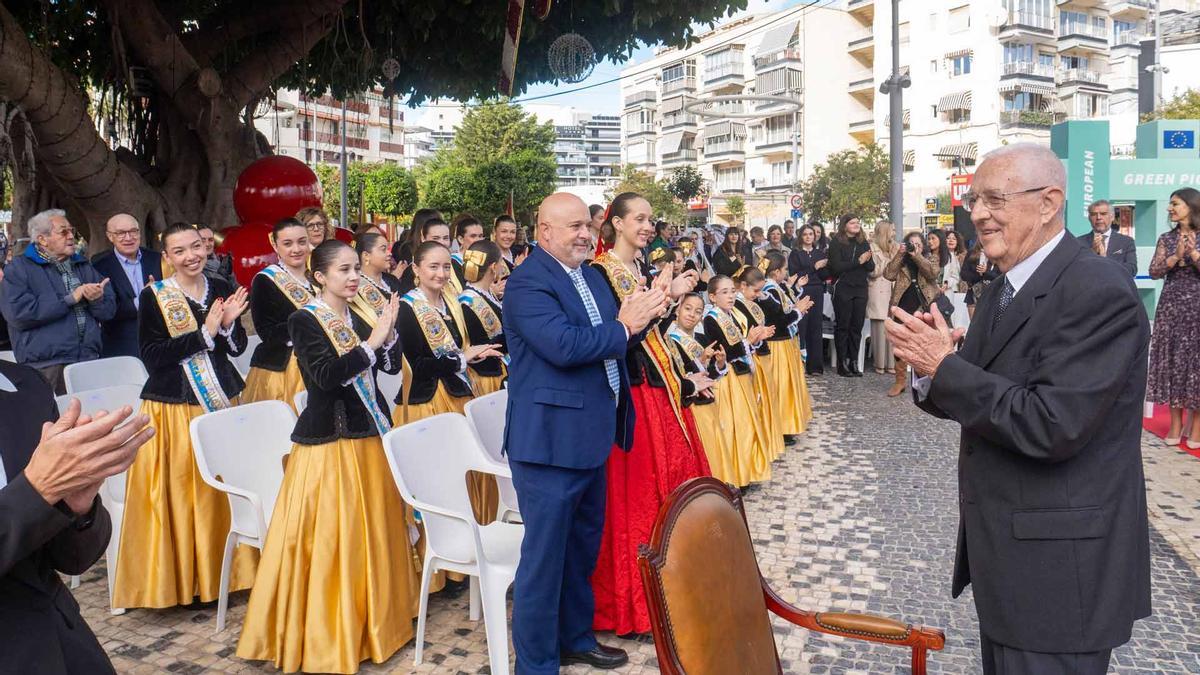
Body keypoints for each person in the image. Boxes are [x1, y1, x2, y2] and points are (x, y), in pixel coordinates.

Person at [887, 143, 1151, 674]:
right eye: (975, 201)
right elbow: (976, 390)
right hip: (1012, 567)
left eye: (994, 199)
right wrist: (931, 368)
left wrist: (945, 366)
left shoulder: (1096, 288)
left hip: (1060, 577)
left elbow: (1052, 424)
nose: (978, 214)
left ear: (1049, 203)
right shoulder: (1004, 286)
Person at [237, 240, 422, 674]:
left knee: (375, 532)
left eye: (356, 268)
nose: (354, 277)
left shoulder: (360, 314)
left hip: (369, 436)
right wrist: (372, 343)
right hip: (331, 443)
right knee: (336, 540)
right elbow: (324, 378)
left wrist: (390, 337)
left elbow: (386, 369)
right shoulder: (304, 319)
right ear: (319, 276)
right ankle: (333, 631)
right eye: (343, 270)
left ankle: (381, 621)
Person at [502, 192, 669, 674]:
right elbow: (565, 345)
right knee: (544, 561)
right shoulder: (528, 282)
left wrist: (647, 314)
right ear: (544, 231)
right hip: (550, 444)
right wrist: (625, 326)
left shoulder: (589, 275)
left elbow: (616, 338)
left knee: (580, 551)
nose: (584, 234)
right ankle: (536, 664)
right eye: (573, 226)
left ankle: (574, 638)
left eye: (586, 225)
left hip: (589, 437)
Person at [113, 222, 255, 609]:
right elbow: (152, 356)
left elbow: (236, 348)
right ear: (167, 257)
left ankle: (229, 574)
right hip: (174, 406)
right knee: (183, 492)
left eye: (196, 247)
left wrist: (227, 327)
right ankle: (185, 583)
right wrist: (202, 334)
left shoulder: (220, 286)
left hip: (219, 399)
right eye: (180, 251)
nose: (191, 256)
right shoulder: (155, 296)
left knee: (220, 488)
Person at [589, 192, 711, 637]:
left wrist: (667, 299)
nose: (646, 226)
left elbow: (648, 332)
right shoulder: (600, 273)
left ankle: (673, 590)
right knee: (639, 497)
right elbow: (619, 339)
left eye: (650, 220)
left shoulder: (637, 269)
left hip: (658, 388)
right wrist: (663, 300)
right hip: (633, 395)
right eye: (638, 219)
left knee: (670, 490)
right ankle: (639, 602)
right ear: (617, 223)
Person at [0, 361, 154, 675]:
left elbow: (71, 559)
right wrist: (36, 491)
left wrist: (76, 509)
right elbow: (34, 493)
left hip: (59, 644)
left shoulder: (26, 386)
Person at [394, 242, 501, 526]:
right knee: (440, 480)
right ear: (416, 269)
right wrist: (462, 359)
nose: (441, 274)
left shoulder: (450, 304)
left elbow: (460, 350)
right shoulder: (407, 308)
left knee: (467, 477)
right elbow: (418, 366)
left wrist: (474, 354)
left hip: (459, 397)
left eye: (445, 267)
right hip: (428, 404)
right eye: (433, 267)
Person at [0, 209, 115, 394]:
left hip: (88, 359)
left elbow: (108, 311)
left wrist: (97, 299)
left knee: (93, 411)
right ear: (42, 239)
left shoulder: (82, 265)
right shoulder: (19, 269)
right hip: (47, 366)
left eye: (72, 231)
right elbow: (18, 314)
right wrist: (69, 299)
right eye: (63, 232)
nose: (71, 236)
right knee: (55, 413)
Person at [700, 275, 771, 486]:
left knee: (745, 425)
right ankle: (733, 476)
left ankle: (745, 472)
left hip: (740, 374)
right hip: (727, 378)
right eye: (724, 292)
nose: (730, 296)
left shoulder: (731, 315)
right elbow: (724, 351)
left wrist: (754, 340)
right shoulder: (711, 319)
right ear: (712, 297)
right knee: (733, 426)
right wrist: (748, 341)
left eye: (732, 291)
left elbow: (742, 344)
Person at [1146, 187, 1200, 448]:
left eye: (1175, 203)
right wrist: (1175, 257)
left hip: (1197, 307)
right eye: (1170, 204)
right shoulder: (1166, 238)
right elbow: (1154, 272)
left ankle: (1196, 427)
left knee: (1196, 365)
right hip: (1172, 308)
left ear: (1191, 206)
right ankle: (1176, 424)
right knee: (1174, 363)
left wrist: (1193, 255)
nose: (1170, 208)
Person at [242, 218, 313, 409]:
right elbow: (266, 332)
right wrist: (307, 325)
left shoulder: (318, 276)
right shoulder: (265, 280)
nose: (296, 249)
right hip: (283, 368)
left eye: (302, 242)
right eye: (288, 244)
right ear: (275, 245)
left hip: (321, 360)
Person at [667, 293, 729, 475]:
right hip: (691, 407)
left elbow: (711, 376)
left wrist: (719, 364)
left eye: (697, 311)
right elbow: (677, 374)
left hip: (709, 404)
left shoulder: (702, 339)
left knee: (714, 449)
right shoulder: (670, 341)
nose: (691, 315)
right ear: (678, 310)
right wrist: (700, 360)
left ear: (701, 316)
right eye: (687, 309)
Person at [757, 252, 815, 435]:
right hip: (776, 344)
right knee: (780, 386)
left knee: (786, 385)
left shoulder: (776, 287)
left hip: (784, 343)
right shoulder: (770, 290)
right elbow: (780, 319)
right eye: (784, 269)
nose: (786, 273)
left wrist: (797, 303)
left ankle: (786, 424)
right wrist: (798, 311)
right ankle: (781, 426)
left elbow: (787, 304)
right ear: (776, 272)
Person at [91, 213, 163, 358]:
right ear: (110, 236)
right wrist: (142, 300)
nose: (129, 238)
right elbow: (106, 310)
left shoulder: (157, 259)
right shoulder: (99, 266)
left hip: (160, 342)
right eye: (121, 233)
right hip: (121, 347)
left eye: (133, 231)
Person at [733, 266, 784, 461]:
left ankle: (768, 442)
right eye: (755, 290)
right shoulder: (737, 306)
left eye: (760, 290)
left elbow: (776, 310)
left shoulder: (751, 301)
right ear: (743, 286)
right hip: (750, 356)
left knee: (767, 398)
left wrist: (762, 295)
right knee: (758, 400)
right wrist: (755, 337)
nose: (758, 294)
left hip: (760, 352)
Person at [883, 232, 940, 397]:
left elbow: (932, 273)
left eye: (918, 243)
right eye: (911, 243)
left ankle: (922, 381)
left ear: (923, 245)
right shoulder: (902, 260)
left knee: (921, 344)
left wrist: (917, 256)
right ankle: (900, 381)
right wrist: (900, 254)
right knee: (899, 343)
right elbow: (888, 275)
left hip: (922, 305)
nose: (915, 246)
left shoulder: (931, 258)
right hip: (902, 304)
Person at [459, 240, 509, 396]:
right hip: (488, 376)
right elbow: (486, 343)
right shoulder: (470, 301)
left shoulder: (485, 293)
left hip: (497, 368)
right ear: (493, 267)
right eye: (501, 262)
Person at [828, 214, 874, 377]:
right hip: (844, 288)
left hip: (860, 288)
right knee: (843, 326)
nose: (856, 224)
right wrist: (858, 262)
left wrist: (866, 260)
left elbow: (871, 266)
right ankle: (842, 363)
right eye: (852, 222)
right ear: (844, 225)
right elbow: (836, 267)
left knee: (857, 327)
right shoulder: (836, 242)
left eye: (858, 222)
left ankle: (854, 361)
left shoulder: (863, 242)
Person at [788, 224, 831, 375]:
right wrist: (814, 267)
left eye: (811, 234)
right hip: (802, 291)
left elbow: (824, 275)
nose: (808, 237)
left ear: (815, 236)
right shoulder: (795, 254)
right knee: (801, 326)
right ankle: (798, 364)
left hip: (817, 291)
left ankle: (815, 366)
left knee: (815, 327)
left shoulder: (819, 253)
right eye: (805, 234)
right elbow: (795, 274)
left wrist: (824, 267)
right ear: (801, 236)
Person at [867, 221, 898, 375]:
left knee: (893, 327)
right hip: (878, 290)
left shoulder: (895, 247)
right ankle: (879, 363)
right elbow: (872, 272)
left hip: (893, 290)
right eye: (892, 230)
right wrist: (887, 261)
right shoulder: (871, 248)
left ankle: (891, 363)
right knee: (879, 328)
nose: (895, 233)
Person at [1080, 200, 1137, 277]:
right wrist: (1092, 255)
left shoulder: (1126, 242)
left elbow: (1132, 270)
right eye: (1094, 214)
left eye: (1103, 214)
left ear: (1112, 217)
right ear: (1089, 218)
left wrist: (1105, 260)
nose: (1098, 218)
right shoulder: (1079, 243)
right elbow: (1076, 270)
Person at [395, 217, 452, 296]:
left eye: (445, 238)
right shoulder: (411, 272)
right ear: (423, 238)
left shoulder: (455, 264)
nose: (442, 242)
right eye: (435, 238)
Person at [961, 240, 999, 319]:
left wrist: (986, 272)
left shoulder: (998, 254)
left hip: (992, 295)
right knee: (974, 322)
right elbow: (963, 274)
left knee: (988, 322)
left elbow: (1001, 276)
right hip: (974, 293)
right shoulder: (971, 253)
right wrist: (977, 276)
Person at [450, 214, 486, 291]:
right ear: (461, 239)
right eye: (473, 236)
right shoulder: (453, 263)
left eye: (480, 236)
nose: (478, 240)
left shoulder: (484, 259)